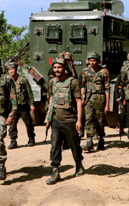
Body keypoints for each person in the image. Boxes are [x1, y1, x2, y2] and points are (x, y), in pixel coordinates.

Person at [46, 57, 84, 185]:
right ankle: (55, 171)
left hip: (70, 120)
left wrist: (79, 120)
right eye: (55, 67)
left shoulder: (73, 82)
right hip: (56, 119)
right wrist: (48, 116)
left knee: (74, 146)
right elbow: (51, 98)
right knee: (55, 146)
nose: (57, 70)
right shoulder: (52, 82)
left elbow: (79, 101)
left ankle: (79, 165)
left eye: (59, 67)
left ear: (64, 68)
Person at [81, 52, 110, 152]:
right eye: (90, 61)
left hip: (100, 99)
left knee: (100, 120)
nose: (92, 63)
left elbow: (107, 88)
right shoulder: (85, 71)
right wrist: (82, 98)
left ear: (97, 61)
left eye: (93, 61)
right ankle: (89, 140)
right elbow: (82, 85)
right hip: (89, 99)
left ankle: (101, 138)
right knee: (88, 119)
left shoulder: (104, 72)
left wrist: (107, 104)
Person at [6, 61, 35, 149]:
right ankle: (13, 141)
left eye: (12, 69)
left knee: (28, 123)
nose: (11, 71)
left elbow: (30, 93)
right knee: (12, 125)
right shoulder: (7, 81)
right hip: (13, 108)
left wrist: (32, 104)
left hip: (23, 106)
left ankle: (31, 139)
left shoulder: (23, 80)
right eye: (9, 70)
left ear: (16, 70)